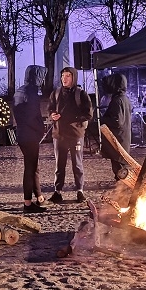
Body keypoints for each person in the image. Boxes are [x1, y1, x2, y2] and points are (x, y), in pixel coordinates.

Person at [47, 67, 93, 204]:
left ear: (73, 78)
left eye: (68, 76)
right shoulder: (55, 93)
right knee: (59, 165)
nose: (64, 78)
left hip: (75, 134)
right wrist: (52, 115)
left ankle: (80, 191)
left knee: (77, 164)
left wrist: (73, 117)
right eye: (63, 75)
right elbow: (49, 108)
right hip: (59, 134)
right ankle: (57, 192)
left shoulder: (81, 94)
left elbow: (89, 114)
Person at [13, 65, 48, 213]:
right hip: (30, 135)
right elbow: (33, 117)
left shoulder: (19, 91)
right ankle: (27, 203)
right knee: (30, 169)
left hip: (22, 133)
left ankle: (38, 197)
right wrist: (41, 130)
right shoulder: (31, 93)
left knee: (32, 167)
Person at [100, 73, 132, 181]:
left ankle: (122, 192)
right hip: (122, 138)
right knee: (119, 167)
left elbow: (117, 121)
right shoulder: (124, 99)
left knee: (119, 169)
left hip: (118, 139)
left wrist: (102, 119)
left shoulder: (118, 100)